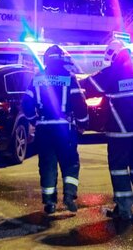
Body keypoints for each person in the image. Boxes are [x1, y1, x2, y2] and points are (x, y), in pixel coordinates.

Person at [85, 47, 133, 222]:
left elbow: (89, 86)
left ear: (114, 56)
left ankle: (124, 209)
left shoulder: (113, 71)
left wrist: (71, 81)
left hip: (119, 132)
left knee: (119, 170)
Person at [22, 45, 89, 215]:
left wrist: (34, 120)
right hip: (64, 128)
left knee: (47, 165)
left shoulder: (38, 78)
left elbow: (26, 103)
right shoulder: (69, 77)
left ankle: (50, 203)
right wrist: (83, 123)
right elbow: (79, 103)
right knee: (70, 162)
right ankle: (69, 196)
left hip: (44, 130)